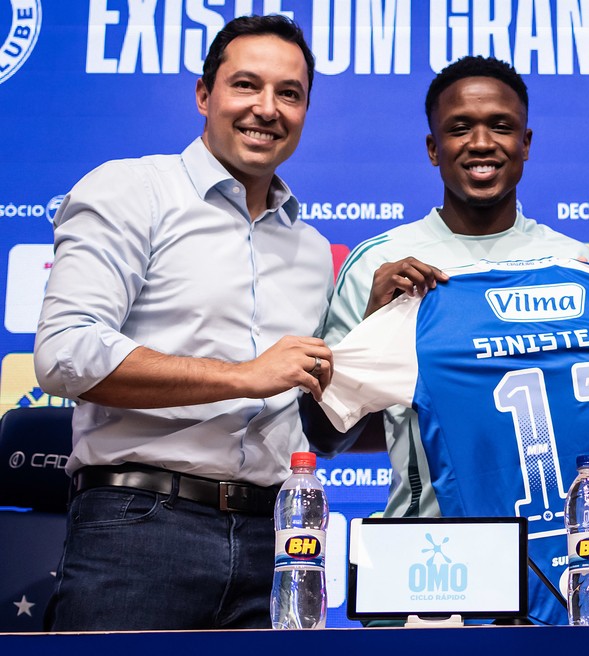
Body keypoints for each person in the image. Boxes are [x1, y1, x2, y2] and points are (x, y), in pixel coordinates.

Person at [34, 15, 335, 631]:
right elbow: (65, 353)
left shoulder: (312, 248)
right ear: (205, 95)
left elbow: (315, 412)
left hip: (277, 544)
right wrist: (243, 377)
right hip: (139, 529)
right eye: (245, 85)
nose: (267, 109)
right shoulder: (132, 190)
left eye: (289, 93)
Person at [312, 56, 589, 521]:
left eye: (501, 127)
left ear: (525, 144)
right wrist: (372, 326)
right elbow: (326, 438)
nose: (481, 143)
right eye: (460, 127)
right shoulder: (378, 263)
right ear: (433, 147)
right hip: (422, 548)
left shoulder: (576, 264)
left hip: (550, 547)